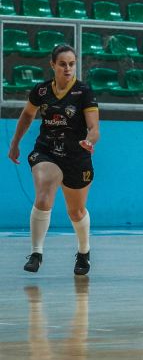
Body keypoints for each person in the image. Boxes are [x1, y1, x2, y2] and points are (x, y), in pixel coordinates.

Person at [8, 44, 98, 275]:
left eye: (71, 64)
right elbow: (27, 115)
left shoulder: (84, 91)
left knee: (76, 211)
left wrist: (90, 140)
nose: (68, 68)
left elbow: (94, 127)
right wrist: (15, 143)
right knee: (44, 195)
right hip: (47, 151)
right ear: (53, 65)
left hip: (77, 155)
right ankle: (36, 253)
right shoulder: (40, 91)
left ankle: (84, 252)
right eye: (62, 64)